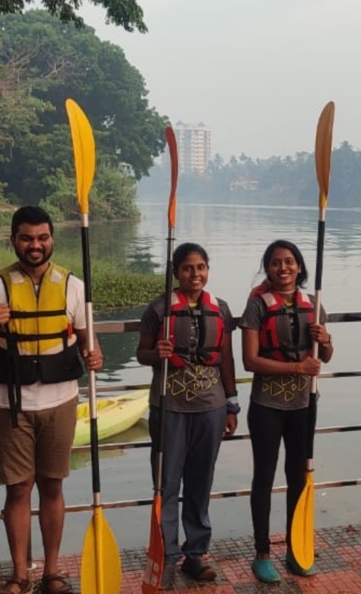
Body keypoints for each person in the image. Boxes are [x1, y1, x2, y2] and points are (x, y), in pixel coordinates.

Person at [0, 206, 103, 594]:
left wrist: (95, 352)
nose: (35, 245)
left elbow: (88, 337)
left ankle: (52, 572)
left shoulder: (73, 286)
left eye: (42, 237)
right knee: (18, 489)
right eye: (26, 238)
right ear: (13, 240)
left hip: (60, 401)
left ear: (52, 239)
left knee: (53, 486)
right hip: (11, 404)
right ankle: (19, 572)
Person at [135, 242, 239, 584]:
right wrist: (157, 352)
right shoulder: (158, 309)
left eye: (201, 267)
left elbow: (225, 358)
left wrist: (231, 404)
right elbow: (142, 354)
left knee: (200, 481)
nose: (195, 274)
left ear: (208, 270)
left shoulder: (220, 309)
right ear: (176, 273)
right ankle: (165, 553)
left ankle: (195, 554)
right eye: (187, 268)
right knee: (166, 482)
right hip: (170, 407)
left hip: (211, 407)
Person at [241, 239, 333, 583]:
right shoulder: (257, 305)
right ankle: (262, 552)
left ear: (299, 266)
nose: (283, 268)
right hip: (266, 405)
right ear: (268, 268)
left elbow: (326, 356)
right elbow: (250, 361)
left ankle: (297, 548)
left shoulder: (315, 303)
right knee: (264, 477)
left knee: (298, 476)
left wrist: (323, 340)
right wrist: (297, 370)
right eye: (276, 263)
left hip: (303, 405)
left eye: (290, 262)